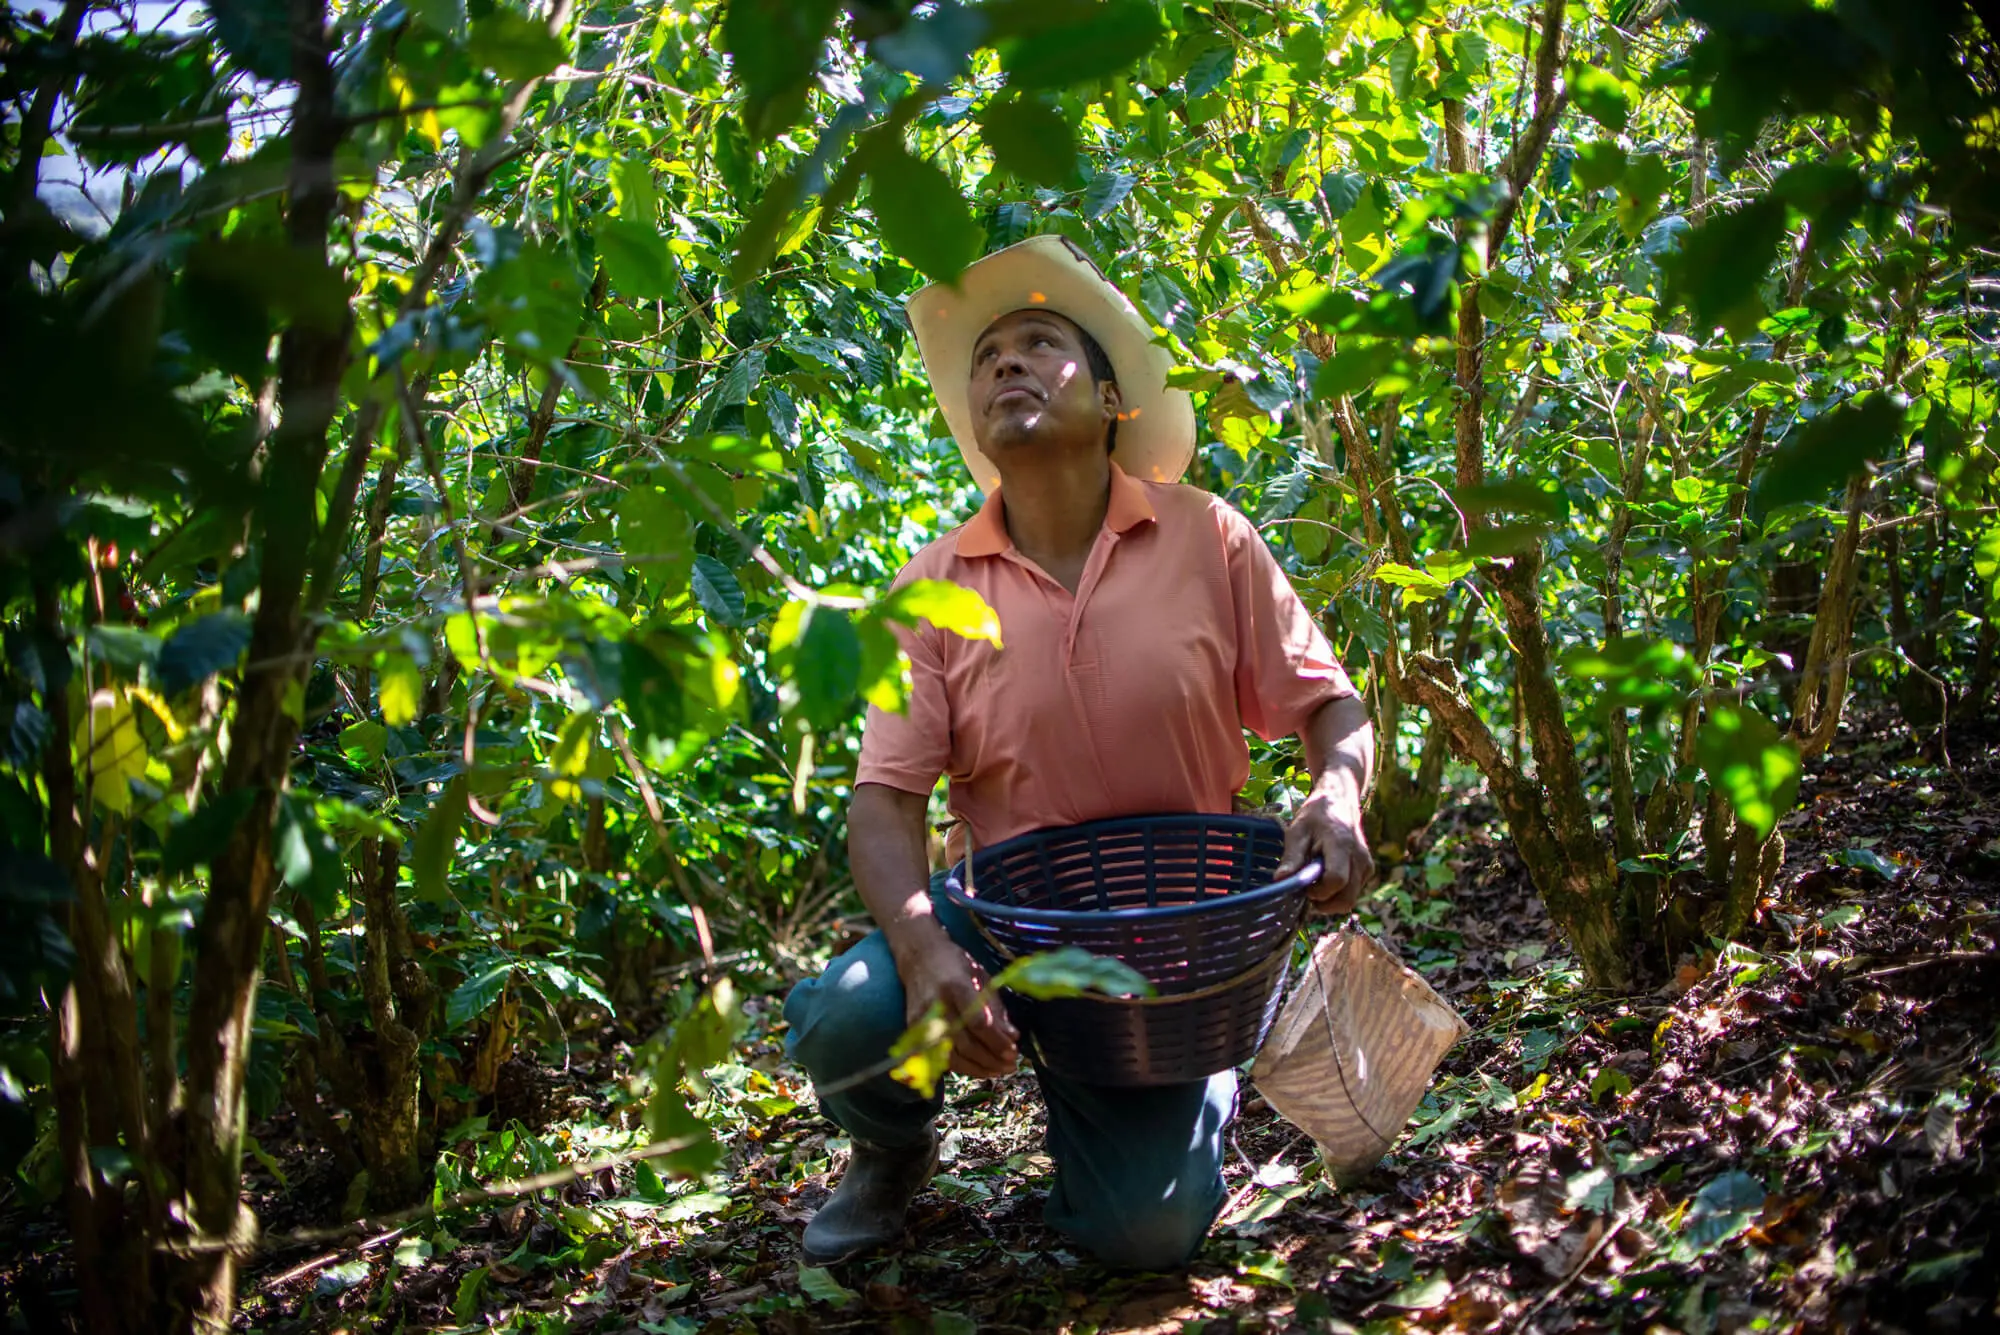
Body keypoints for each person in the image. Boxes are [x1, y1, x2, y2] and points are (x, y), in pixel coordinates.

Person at [783, 235, 1375, 1271]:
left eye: (1040, 342)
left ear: (1110, 402)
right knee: (847, 1019)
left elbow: (1330, 704)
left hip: (1172, 931)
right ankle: (890, 1148)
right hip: (1003, 911)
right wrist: (927, 954)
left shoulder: (1207, 538)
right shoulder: (931, 587)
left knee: (1142, 1238)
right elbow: (883, 802)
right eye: (988, 356)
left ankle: (1165, 1089)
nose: (1005, 362)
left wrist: (1336, 796)